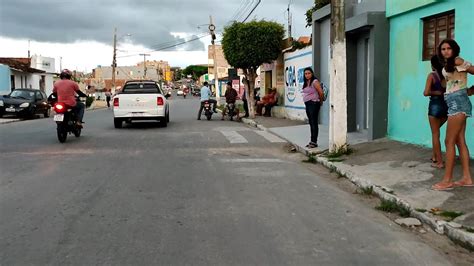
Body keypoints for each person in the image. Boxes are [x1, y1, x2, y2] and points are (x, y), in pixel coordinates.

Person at [432, 39, 473, 191]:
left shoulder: (457, 60)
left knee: (448, 141)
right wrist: (467, 90)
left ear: (454, 49)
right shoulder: (449, 64)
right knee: (459, 141)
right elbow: (454, 82)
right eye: (443, 49)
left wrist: (471, 90)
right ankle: (467, 178)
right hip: (454, 102)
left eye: (449, 48)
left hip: (458, 103)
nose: (446, 51)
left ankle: (447, 180)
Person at [423, 55, 448, 169]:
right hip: (446, 106)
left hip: (435, 106)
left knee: (435, 134)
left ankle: (439, 162)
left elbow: (426, 92)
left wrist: (438, 93)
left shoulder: (432, 76)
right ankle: (434, 156)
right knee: (436, 131)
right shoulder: (447, 76)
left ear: (432, 65)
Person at [302, 67, 324, 149]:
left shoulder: (315, 82)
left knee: (314, 122)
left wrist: (320, 102)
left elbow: (321, 92)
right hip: (308, 104)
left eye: (309, 73)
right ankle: (312, 141)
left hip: (314, 104)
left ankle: (314, 142)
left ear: (312, 74)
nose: (307, 75)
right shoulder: (306, 82)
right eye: (305, 74)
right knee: (311, 123)